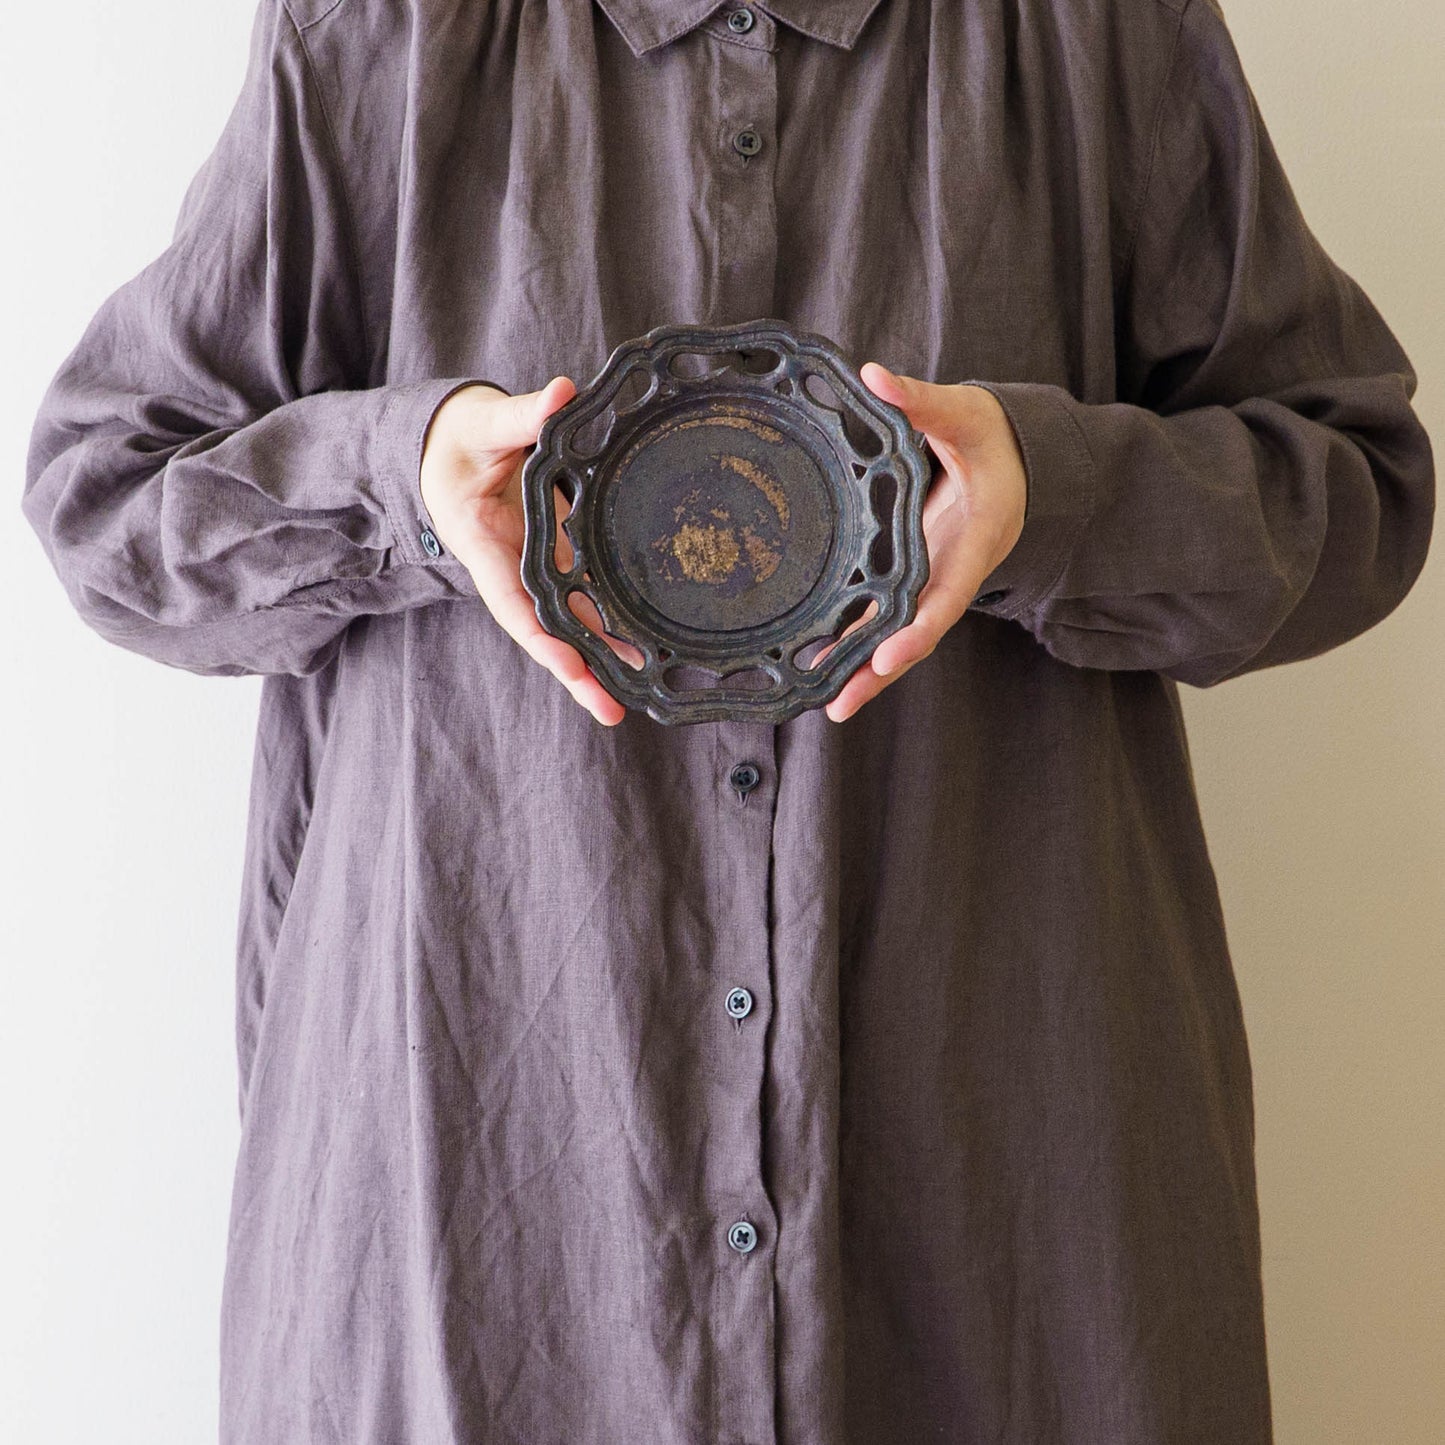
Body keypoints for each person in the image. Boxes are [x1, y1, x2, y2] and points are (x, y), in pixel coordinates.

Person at [21, 0, 1434, 1441]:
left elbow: (1358, 490)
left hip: (997, 1213)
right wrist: (404, 478)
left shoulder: (1093, 34)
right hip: (484, 1208)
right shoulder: (381, 33)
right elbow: (106, 494)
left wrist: (1053, 495)